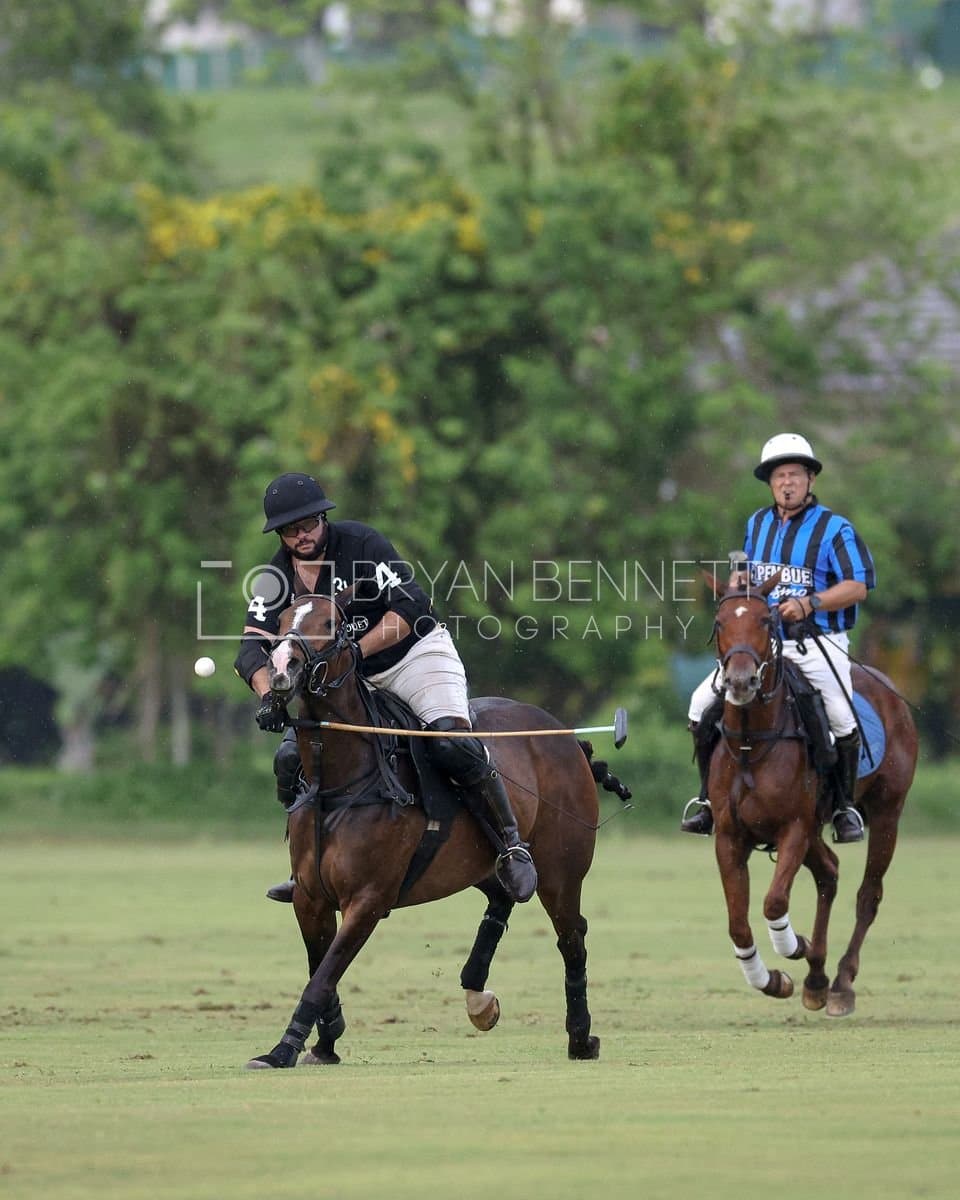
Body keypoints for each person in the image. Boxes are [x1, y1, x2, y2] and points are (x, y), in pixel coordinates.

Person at [233, 472, 537, 904]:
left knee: (451, 743)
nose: (301, 535)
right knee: (289, 759)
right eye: (289, 530)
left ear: (323, 518)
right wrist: (269, 696)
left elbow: (411, 608)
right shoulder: (274, 577)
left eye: (308, 524)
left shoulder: (362, 545)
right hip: (346, 677)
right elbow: (250, 648)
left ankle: (510, 844)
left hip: (413, 656)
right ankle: (305, 867)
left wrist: (357, 651)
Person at [681, 433, 876, 844]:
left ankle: (843, 808)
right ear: (770, 483)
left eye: (794, 475)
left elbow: (857, 586)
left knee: (840, 716)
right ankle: (708, 800)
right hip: (761, 645)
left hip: (817, 642)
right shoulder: (758, 524)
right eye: (779, 476)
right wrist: (738, 584)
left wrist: (811, 603)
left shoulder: (835, 529)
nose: (787, 483)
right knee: (700, 705)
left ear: (810, 480)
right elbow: (749, 579)